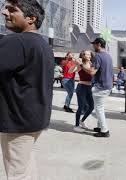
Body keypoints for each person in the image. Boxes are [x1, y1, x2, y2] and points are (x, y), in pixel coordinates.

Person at [0, 0, 54, 179]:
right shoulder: (42, 44)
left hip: (17, 121)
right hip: (33, 119)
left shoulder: (17, 41)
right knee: (26, 167)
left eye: (11, 10)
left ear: (31, 19)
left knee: (17, 173)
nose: (4, 13)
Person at [81, 38, 114, 137]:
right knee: (101, 108)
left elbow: (92, 72)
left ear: (99, 44)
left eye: (94, 44)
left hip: (100, 86)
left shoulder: (97, 56)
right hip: (108, 85)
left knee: (99, 109)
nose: (93, 46)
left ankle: (104, 130)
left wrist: (82, 66)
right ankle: (100, 127)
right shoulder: (108, 56)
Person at [69, 50, 94, 133]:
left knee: (91, 107)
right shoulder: (80, 64)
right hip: (82, 87)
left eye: (90, 54)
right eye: (87, 54)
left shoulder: (91, 63)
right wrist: (75, 64)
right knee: (81, 107)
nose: (89, 55)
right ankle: (76, 126)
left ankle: (82, 121)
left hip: (89, 87)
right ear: (83, 55)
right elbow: (70, 71)